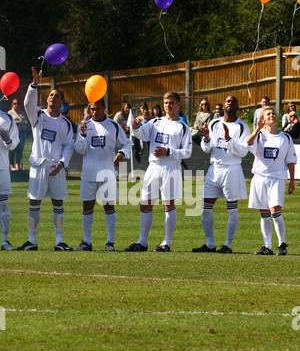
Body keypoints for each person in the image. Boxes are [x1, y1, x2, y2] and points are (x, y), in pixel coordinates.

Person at [124, 91, 192, 252]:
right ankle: (142, 242)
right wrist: (135, 125)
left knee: (168, 204)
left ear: (178, 105)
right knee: (146, 203)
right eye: (166, 102)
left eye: (172, 103)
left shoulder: (183, 127)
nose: (168, 105)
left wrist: (168, 152)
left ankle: (166, 242)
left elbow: (187, 152)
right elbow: (141, 134)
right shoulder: (155, 122)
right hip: (153, 167)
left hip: (171, 167)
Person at [17, 67, 74, 251]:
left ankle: (59, 242)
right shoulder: (38, 115)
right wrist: (34, 85)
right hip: (38, 166)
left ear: (61, 102)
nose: (52, 97)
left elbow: (68, 146)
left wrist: (62, 164)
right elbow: (27, 103)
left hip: (55, 167)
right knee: (34, 203)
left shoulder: (65, 123)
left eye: (56, 96)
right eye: (50, 95)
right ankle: (32, 241)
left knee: (58, 203)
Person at [192, 95, 250, 254]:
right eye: (228, 101)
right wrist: (206, 138)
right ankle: (210, 244)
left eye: (233, 101)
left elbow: (244, 152)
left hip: (231, 169)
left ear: (237, 107)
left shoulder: (242, 127)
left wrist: (228, 139)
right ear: (223, 105)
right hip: (214, 169)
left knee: (232, 209)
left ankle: (228, 245)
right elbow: (207, 149)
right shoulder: (214, 122)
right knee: (205, 207)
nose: (230, 103)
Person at [74, 98, 132, 251]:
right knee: (87, 207)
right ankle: (86, 242)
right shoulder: (84, 126)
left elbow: (127, 143)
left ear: (104, 108)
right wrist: (83, 134)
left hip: (107, 173)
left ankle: (110, 243)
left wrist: (121, 153)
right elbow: (79, 149)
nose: (95, 112)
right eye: (92, 109)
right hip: (88, 173)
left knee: (109, 207)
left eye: (98, 109)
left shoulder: (113, 125)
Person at [246, 106, 297, 256]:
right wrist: (256, 130)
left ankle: (282, 244)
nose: (271, 115)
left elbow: (291, 161)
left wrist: (292, 181)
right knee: (264, 213)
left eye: (273, 113)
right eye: (268, 114)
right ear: (263, 119)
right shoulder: (260, 136)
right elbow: (247, 143)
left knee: (275, 211)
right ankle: (267, 246)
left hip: (277, 179)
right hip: (260, 178)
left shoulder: (286, 138)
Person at [0, 110, 19, 250]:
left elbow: (14, 144)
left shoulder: (8, 119)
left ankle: (5, 241)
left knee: (3, 206)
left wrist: (7, 139)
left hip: (2, 167)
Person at [8, 97, 29, 171]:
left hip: (21, 133)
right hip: (12, 134)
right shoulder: (10, 113)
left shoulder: (22, 112)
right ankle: (11, 165)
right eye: (15, 103)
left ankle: (17, 165)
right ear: (12, 105)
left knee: (20, 149)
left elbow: (26, 122)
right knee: (12, 149)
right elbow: (9, 123)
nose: (16, 105)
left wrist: (21, 123)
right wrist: (17, 122)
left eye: (18, 103)